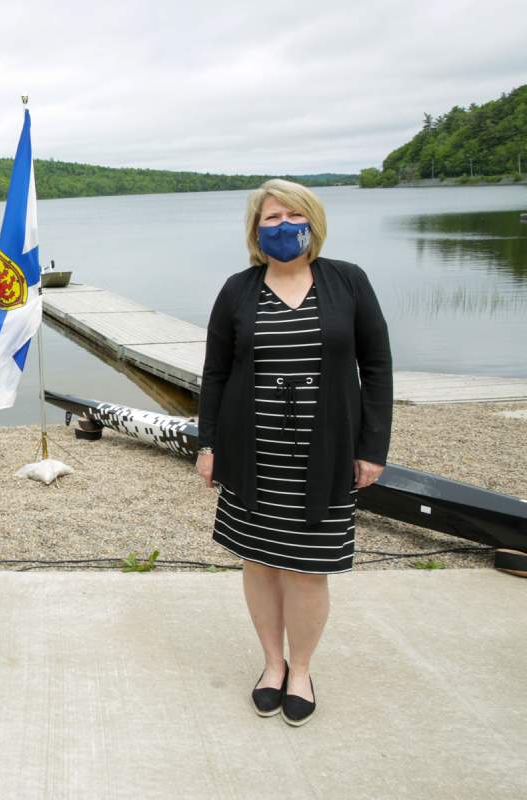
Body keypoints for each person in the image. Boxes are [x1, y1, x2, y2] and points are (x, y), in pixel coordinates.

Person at [196, 179, 393, 727]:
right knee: (258, 561)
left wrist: (372, 448)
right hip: (252, 452)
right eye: (269, 218)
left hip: (325, 452)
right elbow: (214, 373)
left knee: (308, 570)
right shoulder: (238, 290)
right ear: (255, 231)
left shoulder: (348, 282)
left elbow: (376, 367)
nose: (281, 226)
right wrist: (207, 443)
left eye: (291, 215)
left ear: (312, 219)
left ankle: (301, 669)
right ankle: (271, 665)